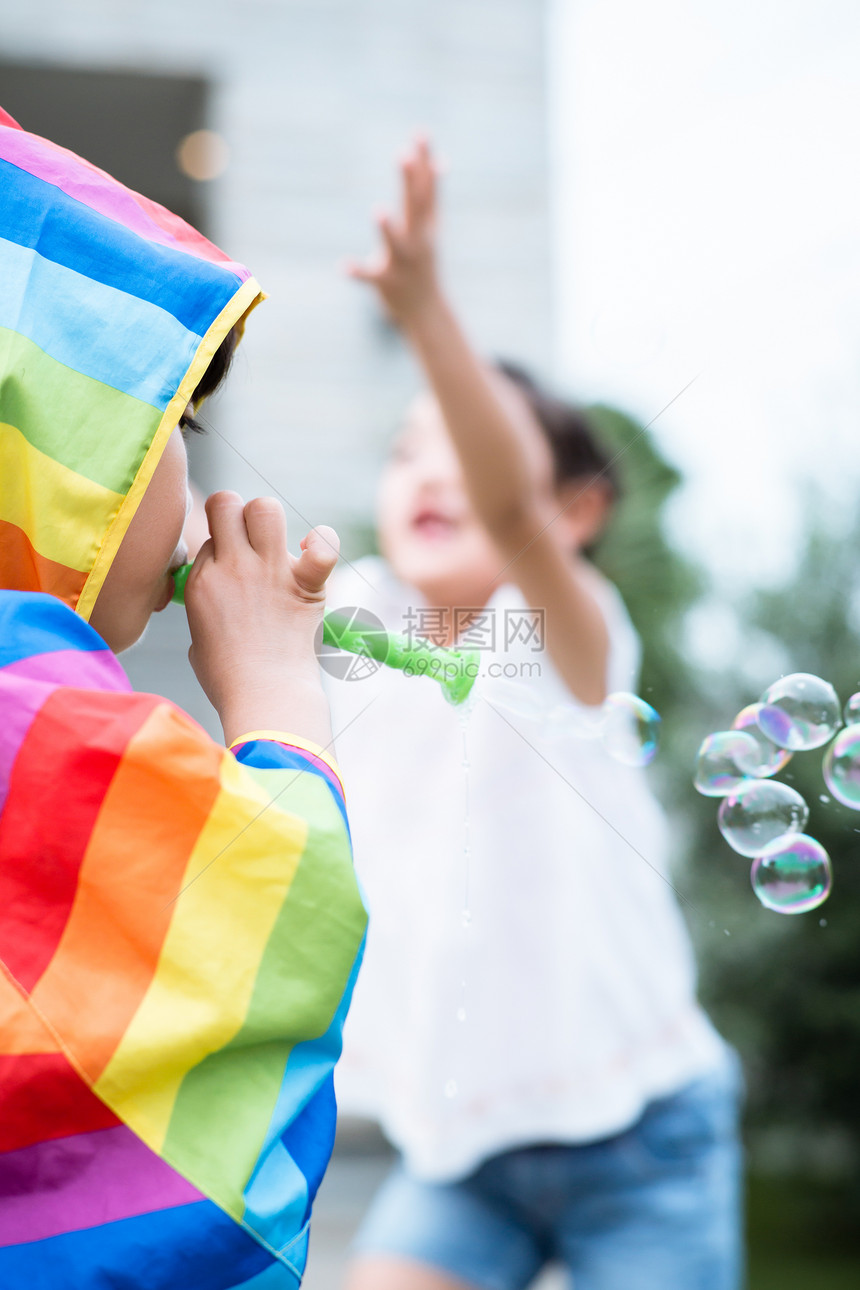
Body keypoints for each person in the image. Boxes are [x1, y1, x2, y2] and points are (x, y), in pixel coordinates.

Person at [324, 139, 743, 1290]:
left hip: (642, 1134)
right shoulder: (362, 620)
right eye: (408, 449)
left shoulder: (572, 635)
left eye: (466, 443)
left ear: (577, 510)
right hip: (463, 1147)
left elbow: (511, 516)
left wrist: (424, 312)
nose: (430, 470)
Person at [0, 107, 366, 1289]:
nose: (194, 478)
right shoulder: (25, 704)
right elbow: (266, 932)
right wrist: (271, 689)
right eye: (174, 423)